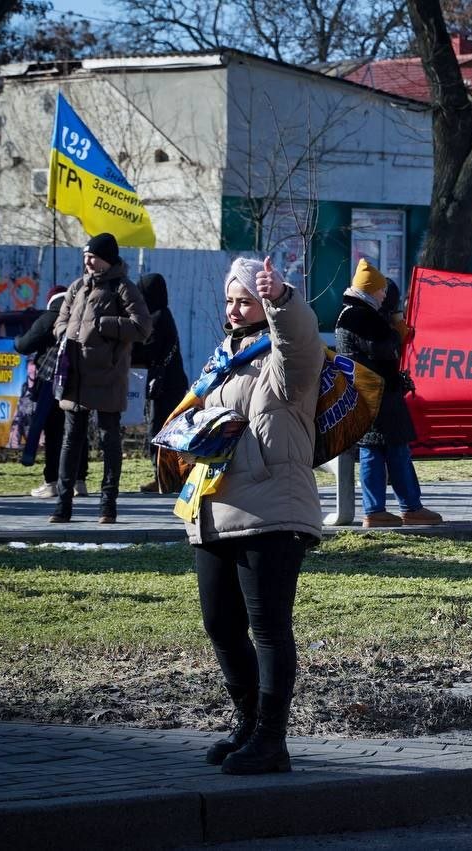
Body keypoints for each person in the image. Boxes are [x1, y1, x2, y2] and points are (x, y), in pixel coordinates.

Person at [187, 255, 323, 776]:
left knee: (268, 628)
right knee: (220, 624)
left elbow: (299, 338)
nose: (234, 309)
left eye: (244, 300)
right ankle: (246, 724)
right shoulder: (225, 358)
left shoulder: (286, 361)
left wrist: (280, 298)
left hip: (272, 509)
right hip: (215, 507)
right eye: (230, 300)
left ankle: (271, 739)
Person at [50, 233, 152, 524]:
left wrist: (102, 325)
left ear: (107, 259)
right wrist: (64, 332)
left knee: (109, 440)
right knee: (71, 441)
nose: (88, 262)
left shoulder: (123, 288)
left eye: (93, 257)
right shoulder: (77, 287)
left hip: (108, 376)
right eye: (85, 257)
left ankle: (108, 506)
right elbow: (60, 320)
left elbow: (142, 327)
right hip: (75, 376)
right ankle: (62, 506)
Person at [335, 260, 442, 528]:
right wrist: (397, 332)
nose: (384, 295)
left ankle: (377, 510)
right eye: (381, 290)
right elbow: (383, 349)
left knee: (373, 451)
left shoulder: (351, 313)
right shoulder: (362, 316)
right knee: (396, 452)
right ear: (370, 290)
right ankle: (409, 508)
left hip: (365, 394)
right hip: (381, 396)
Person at [13, 286, 87, 498]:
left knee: (54, 432)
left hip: (53, 384)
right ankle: (79, 482)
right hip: (81, 381)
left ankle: (52, 482)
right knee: (77, 431)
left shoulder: (50, 316)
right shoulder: (82, 316)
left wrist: (16, 339)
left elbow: (24, 345)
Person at [132, 272, 188, 493]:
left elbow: (149, 350)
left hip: (166, 385)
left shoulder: (157, 317)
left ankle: (162, 479)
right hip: (172, 383)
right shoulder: (164, 314)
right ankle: (168, 478)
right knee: (167, 431)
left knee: (159, 430)